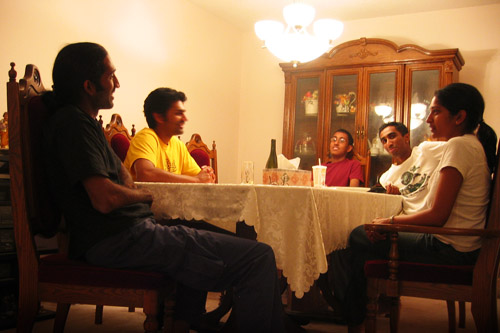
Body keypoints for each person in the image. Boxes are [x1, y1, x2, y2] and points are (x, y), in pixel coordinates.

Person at [42, 42, 285, 333]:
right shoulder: (73, 125)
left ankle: (190, 321)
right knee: (259, 256)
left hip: (129, 235)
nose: (117, 83)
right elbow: (106, 198)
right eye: (110, 76)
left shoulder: (88, 124)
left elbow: (124, 179)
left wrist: (131, 189)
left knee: (217, 239)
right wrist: (145, 196)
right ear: (89, 86)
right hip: (121, 240)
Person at [330, 83, 497, 332]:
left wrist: (388, 224)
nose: (428, 119)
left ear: (460, 117)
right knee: (366, 243)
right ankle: (354, 311)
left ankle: (350, 313)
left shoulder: (459, 146)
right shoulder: (469, 145)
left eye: (436, 112)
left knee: (357, 235)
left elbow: (438, 216)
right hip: (459, 244)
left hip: (450, 247)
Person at [124, 87, 215, 183]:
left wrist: (207, 175)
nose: (185, 119)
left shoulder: (177, 144)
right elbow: (145, 174)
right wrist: (197, 180)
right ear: (159, 117)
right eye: (178, 113)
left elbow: (200, 178)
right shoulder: (145, 137)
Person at [378, 122, 446, 214]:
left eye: (392, 136)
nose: (389, 143)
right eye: (384, 141)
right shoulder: (385, 178)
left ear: (406, 137)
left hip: (433, 217)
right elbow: (396, 208)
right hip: (405, 220)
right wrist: (395, 197)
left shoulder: (426, 151)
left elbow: (457, 147)